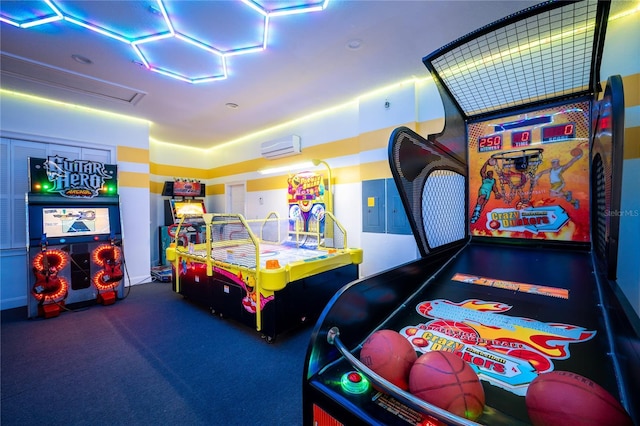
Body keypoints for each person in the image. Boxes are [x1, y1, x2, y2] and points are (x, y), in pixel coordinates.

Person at [471, 158, 502, 223]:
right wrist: (486, 163)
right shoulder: (485, 177)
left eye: (491, 173)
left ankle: (477, 215)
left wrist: (496, 193)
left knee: (484, 204)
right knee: (482, 197)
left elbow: (494, 187)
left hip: (488, 192)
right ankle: (476, 212)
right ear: (488, 174)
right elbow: (482, 171)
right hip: (483, 190)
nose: (491, 174)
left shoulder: (493, 180)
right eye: (489, 173)